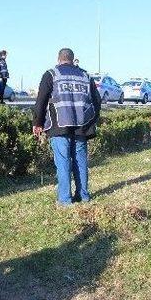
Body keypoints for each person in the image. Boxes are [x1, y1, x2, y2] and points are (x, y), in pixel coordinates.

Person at [32, 48, 101, 206]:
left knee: (63, 162)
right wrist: (92, 120)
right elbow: (97, 101)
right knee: (80, 161)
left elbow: (41, 101)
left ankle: (65, 199)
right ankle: (83, 196)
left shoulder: (51, 74)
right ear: (73, 59)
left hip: (59, 126)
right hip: (81, 126)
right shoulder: (85, 76)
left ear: (59, 59)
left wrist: (37, 123)